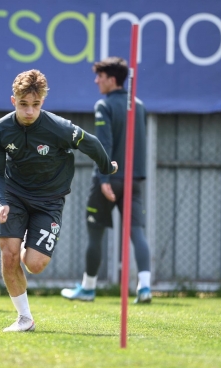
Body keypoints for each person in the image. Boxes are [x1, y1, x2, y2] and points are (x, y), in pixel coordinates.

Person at [0, 69, 118, 332]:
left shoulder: (58, 127)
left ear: (43, 102)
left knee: (34, 264)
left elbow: (91, 143)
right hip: (14, 195)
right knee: (9, 255)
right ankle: (25, 319)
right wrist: (0, 202)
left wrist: (107, 167)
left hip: (49, 200)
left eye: (35, 105)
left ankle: (25, 238)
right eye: (23, 104)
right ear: (13, 101)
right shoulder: (0, 130)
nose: (29, 111)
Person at [61, 57, 152, 304]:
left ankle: (88, 288)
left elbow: (104, 142)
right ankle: (145, 288)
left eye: (100, 77)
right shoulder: (139, 105)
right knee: (137, 232)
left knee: (95, 232)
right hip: (133, 180)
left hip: (109, 178)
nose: (96, 81)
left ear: (112, 80)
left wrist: (104, 177)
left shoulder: (104, 105)